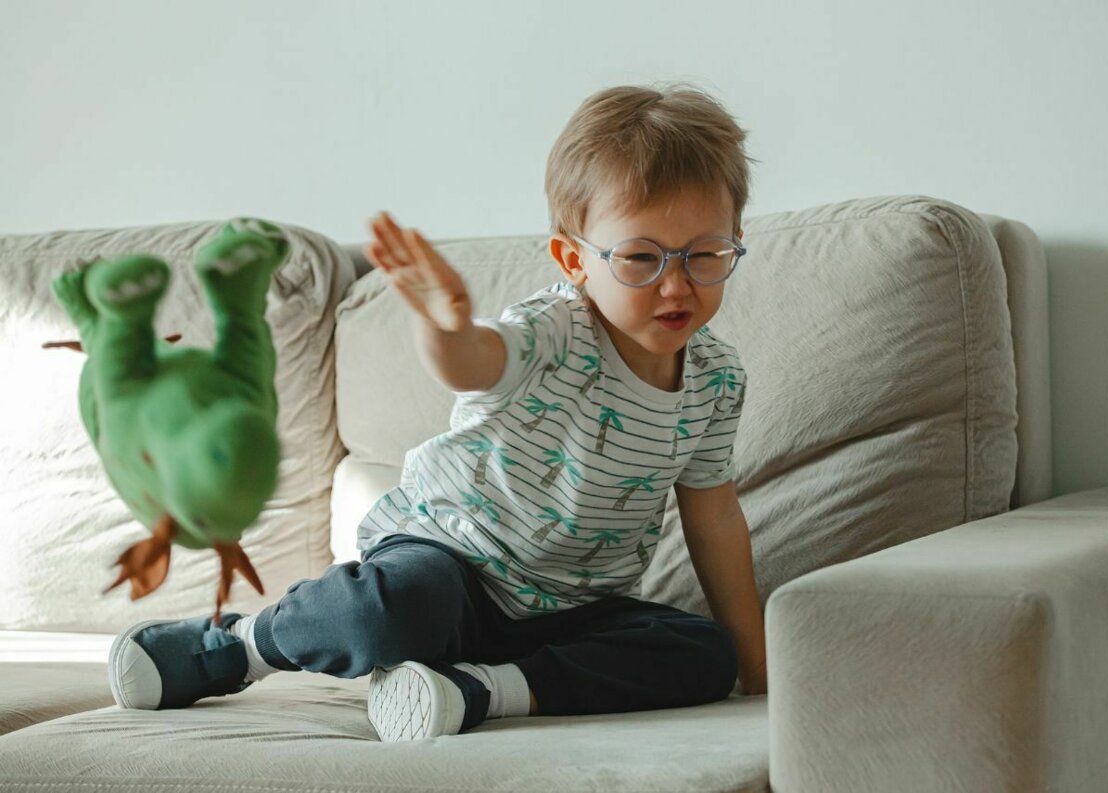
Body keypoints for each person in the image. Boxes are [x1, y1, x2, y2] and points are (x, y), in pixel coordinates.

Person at [108, 82, 767, 742]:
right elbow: (475, 360)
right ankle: (239, 645)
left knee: (704, 654)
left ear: (734, 239)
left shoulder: (716, 379)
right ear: (575, 260)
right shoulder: (554, 332)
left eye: (705, 254)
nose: (676, 284)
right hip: (449, 561)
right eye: (641, 258)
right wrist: (445, 324)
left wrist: (759, 667)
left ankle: (478, 690)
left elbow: (713, 518)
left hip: (571, 608)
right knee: (389, 614)